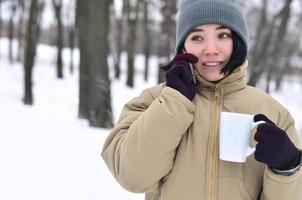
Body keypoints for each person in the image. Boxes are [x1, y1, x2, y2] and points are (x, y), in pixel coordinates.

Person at [101, 0, 302, 199]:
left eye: (223, 35)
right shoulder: (153, 100)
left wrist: (287, 169)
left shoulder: (274, 112)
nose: (211, 49)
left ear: (239, 42)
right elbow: (133, 177)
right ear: (183, 47)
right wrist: (174, 102)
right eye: (197, 37)